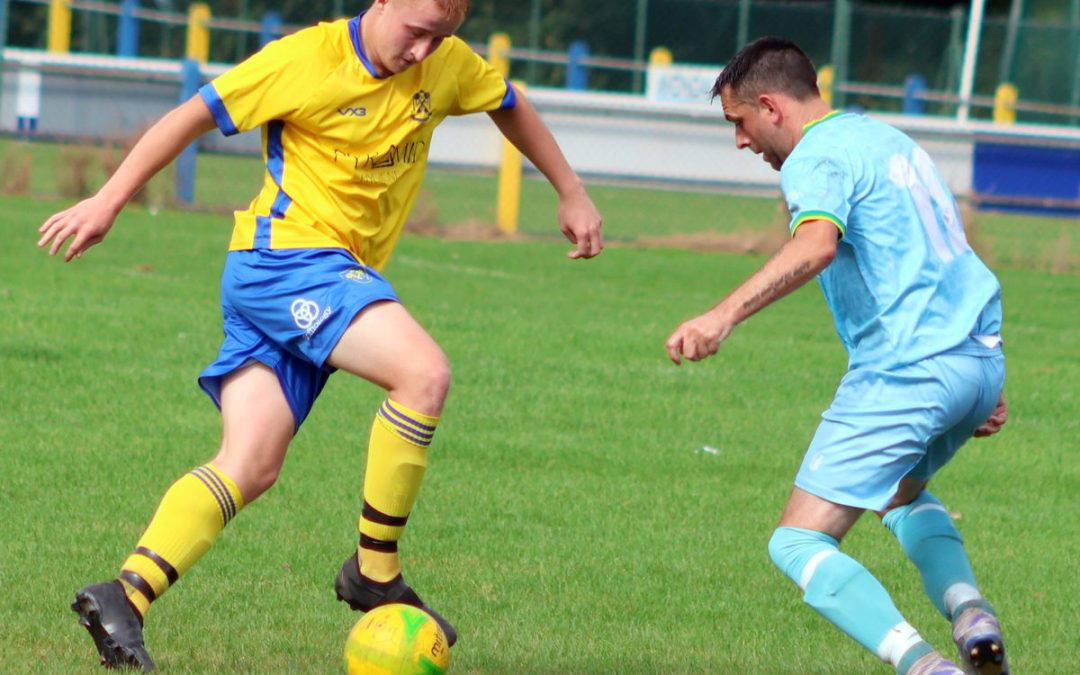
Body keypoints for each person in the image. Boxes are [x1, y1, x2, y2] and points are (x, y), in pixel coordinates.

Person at [38, 0, 603, 669]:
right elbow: (193, 114)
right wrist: (108, 200)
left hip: (298, 276)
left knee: (250, 463)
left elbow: (509, 102)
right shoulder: (306, 59)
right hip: (288, 262)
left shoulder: (445, 64)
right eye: (417, 32)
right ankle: (375, 570)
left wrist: (570, 189)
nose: (424, 52)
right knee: (423, 373)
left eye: (442, 37)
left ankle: (124, 595)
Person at [664, 37, 1009, 675]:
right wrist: (980, 373)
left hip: (908, 371)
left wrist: (721, 315)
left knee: (798, 542)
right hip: (975, 358)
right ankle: (971, 614)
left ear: (770, 107)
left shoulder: (814, 156)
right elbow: (948, 252)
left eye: (739, 122)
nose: (740, 141)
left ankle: (926, 667)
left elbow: (817, 245)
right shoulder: (889, 140)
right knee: (900, 496)